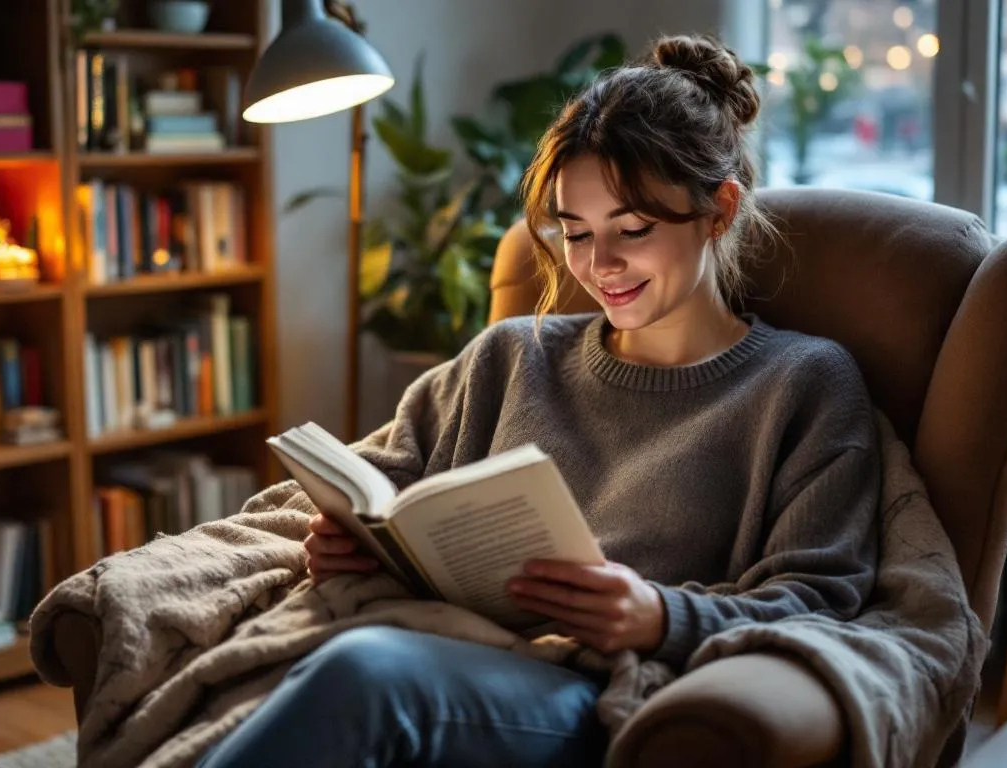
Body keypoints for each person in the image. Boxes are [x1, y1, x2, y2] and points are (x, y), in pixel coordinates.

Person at [199, 32, 880, 768]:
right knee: (321, 677)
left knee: (363, 676)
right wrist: (351, 543)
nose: (599, 266)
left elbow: (823, 596)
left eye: (634, 230)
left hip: (596, 691)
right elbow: (390, 475)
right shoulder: (514, 352)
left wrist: (660, 617)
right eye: (576, 232)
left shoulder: (801, 383)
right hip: (450, 648)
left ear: (719, 210)